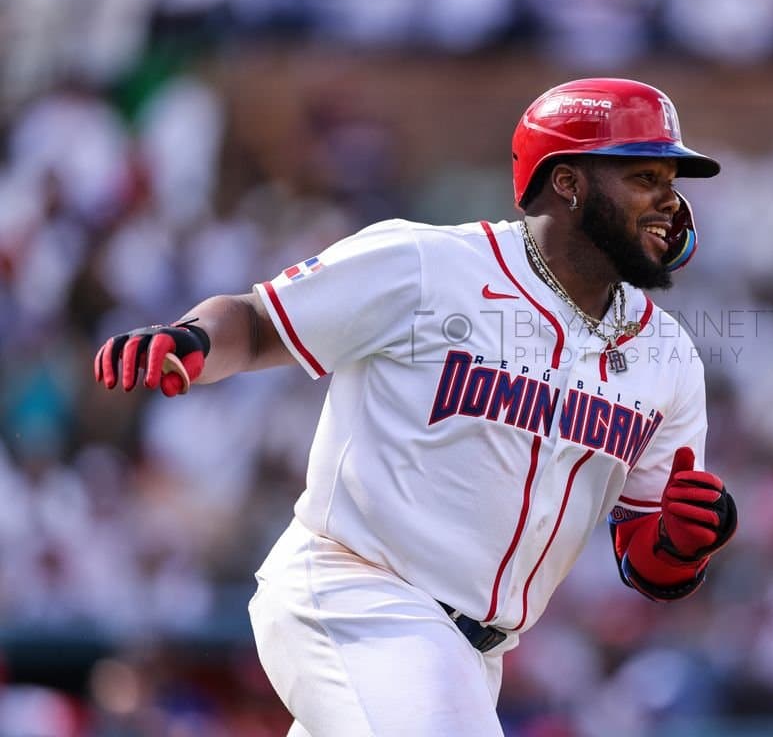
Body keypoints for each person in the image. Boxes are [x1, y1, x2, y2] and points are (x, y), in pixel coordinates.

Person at [93, 78, 738, 736]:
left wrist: (683, 543)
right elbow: (259, 321)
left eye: (671, 179)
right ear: (568, 183)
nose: (670, 199)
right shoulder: (429, 265)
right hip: (356, 597)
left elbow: (646, 555)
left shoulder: (669, 356)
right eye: (646, 176)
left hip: (470, 654)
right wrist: (195, 340)